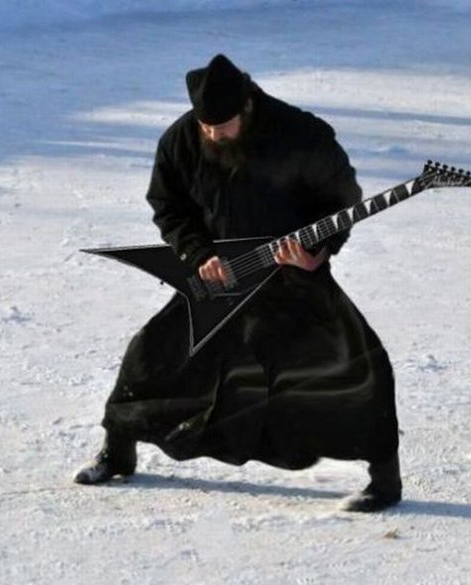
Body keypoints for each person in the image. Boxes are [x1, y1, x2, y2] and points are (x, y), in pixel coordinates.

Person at [74, 54, 402, 512]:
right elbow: (169, 205)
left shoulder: (301, 133)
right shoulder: (181, 138)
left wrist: (319, 251)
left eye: (222, 126)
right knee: (150, 356)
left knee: (354, 369)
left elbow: (341, 198)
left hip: (292, 277)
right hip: (221, 278)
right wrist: (198, 254)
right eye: (205, 126)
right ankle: (118, 452)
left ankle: (385, 482)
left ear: (246, 105)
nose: (213, 135)